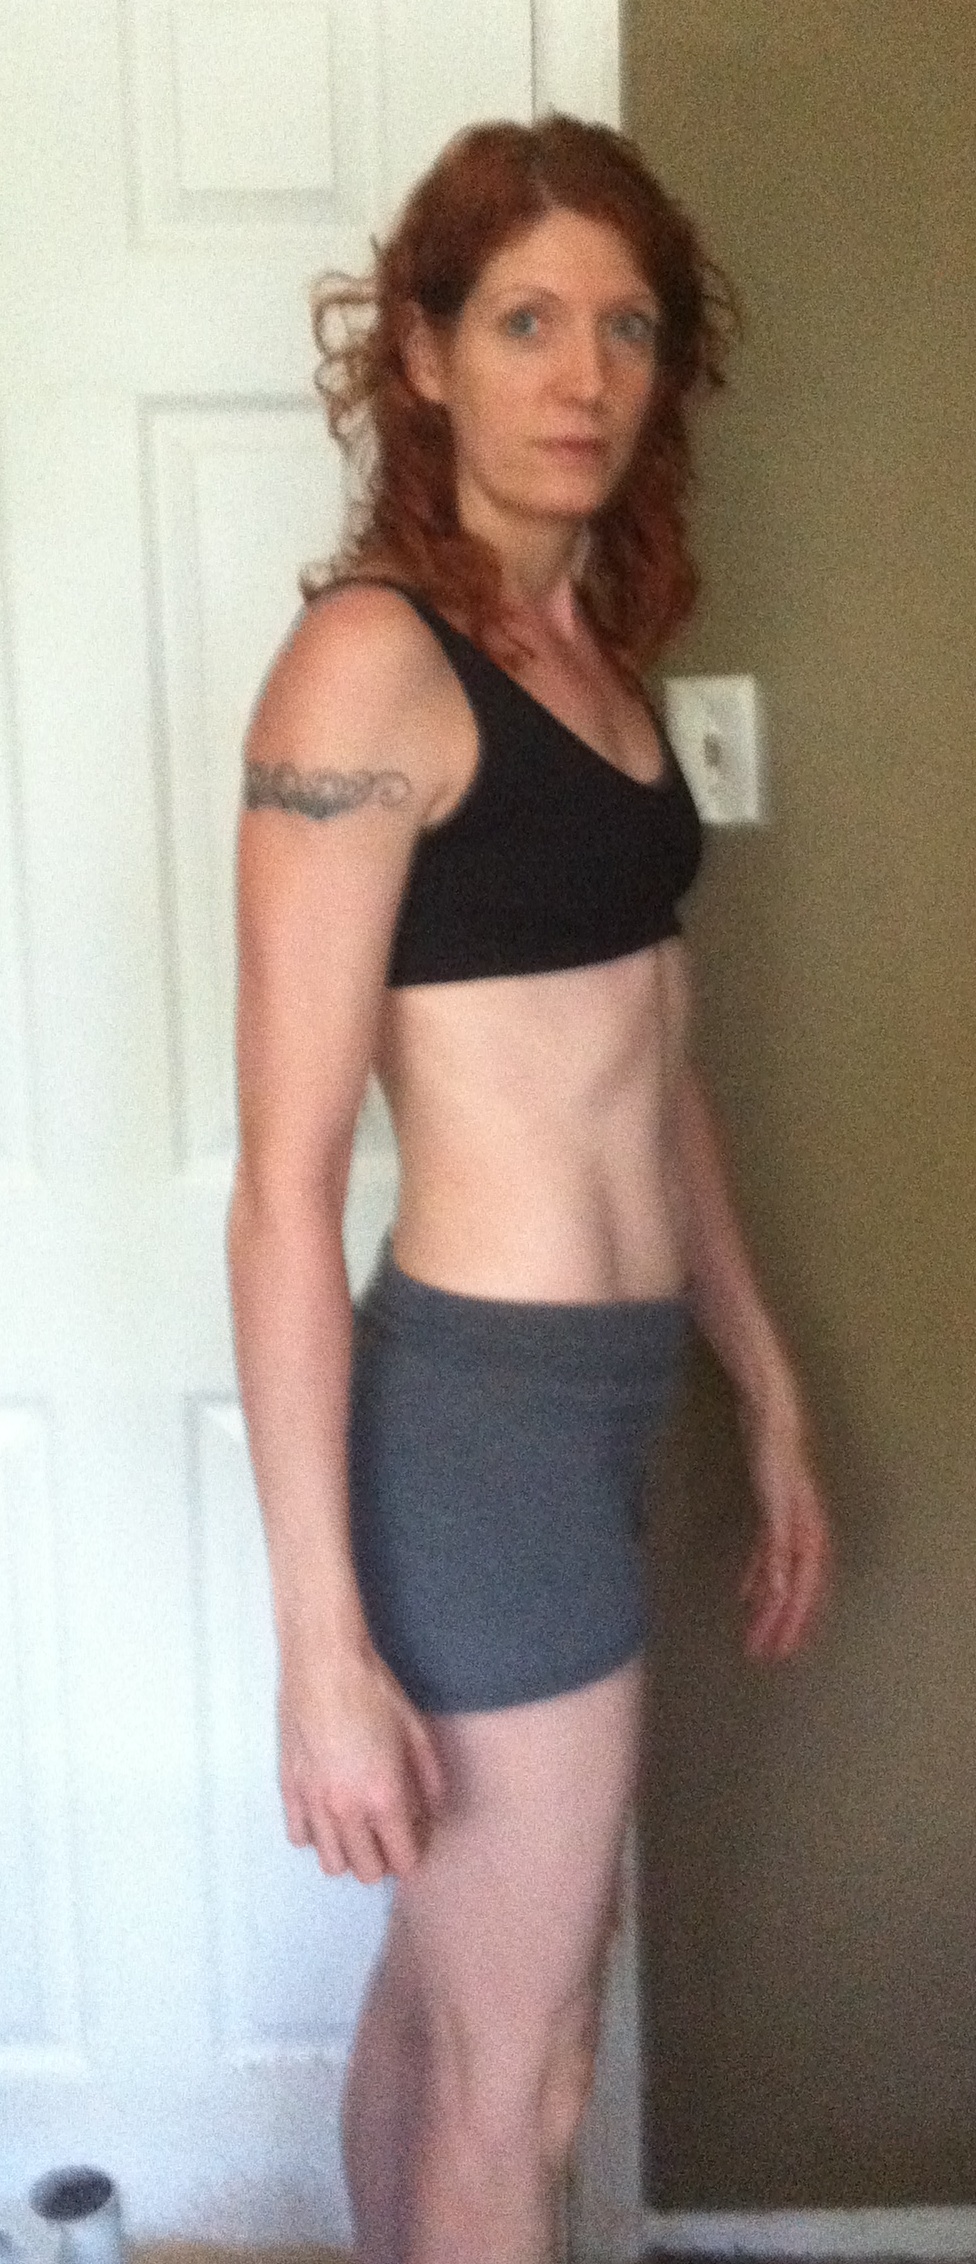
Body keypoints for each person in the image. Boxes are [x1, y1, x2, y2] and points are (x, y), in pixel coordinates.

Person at [227, 114, 832, 2264]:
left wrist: (762, 1382)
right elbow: (282, 1190)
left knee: (448, 2000)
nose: (581, 374)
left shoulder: (598, 668)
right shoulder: (370, 669)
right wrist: (320, 1645)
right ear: (420, 355)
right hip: (476, 1422)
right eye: (521, 322)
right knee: (531, 2067)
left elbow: (651, 1072)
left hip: (602, 1404)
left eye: (625, 327)